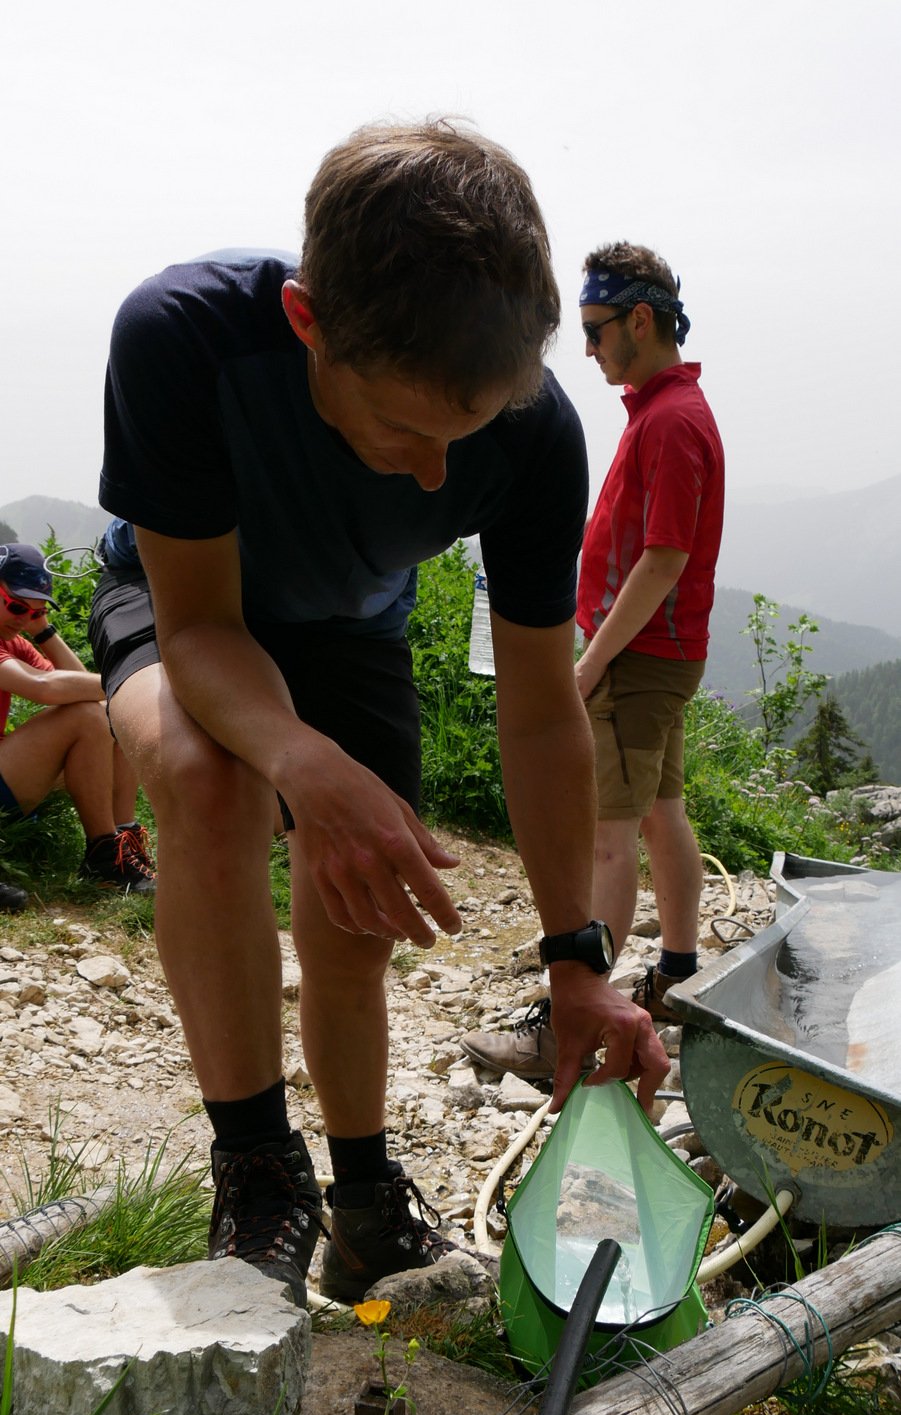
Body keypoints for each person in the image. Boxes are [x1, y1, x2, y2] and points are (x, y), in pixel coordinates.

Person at [89, 123, 669, 1310]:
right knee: (211, 779)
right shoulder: (183, 338)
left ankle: (361, 1203)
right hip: (186, 595)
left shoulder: (532, 434)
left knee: (356, 917)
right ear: (309, 324)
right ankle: (257, 1171)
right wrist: (303, 761)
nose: (428, 479)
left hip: (349, 628)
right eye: (403, 431)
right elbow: (200, 632)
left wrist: (575, 960)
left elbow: (541, 711)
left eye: (463, 438)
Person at [462, 241, 724, 1078]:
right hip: (662, 653)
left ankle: (571, 1015)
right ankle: (676, 974)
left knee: (606, 838)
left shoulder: (671, 421)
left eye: (596, 328)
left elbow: (663, 558)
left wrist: (587, 664)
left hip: (639, 655)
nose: (586, 349)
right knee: (659, 812)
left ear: (639, 320)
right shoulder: (664, 410)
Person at [0, 543, 156, 902]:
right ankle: (104, 859)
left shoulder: (14, 638)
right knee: (93, 714)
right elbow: (41, 687)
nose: (23, 619)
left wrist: (43, 632)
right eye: (16, 607)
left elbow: (81, 685)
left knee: (114, 711)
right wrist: (133, 681)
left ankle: (122, 840)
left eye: (33, 611)